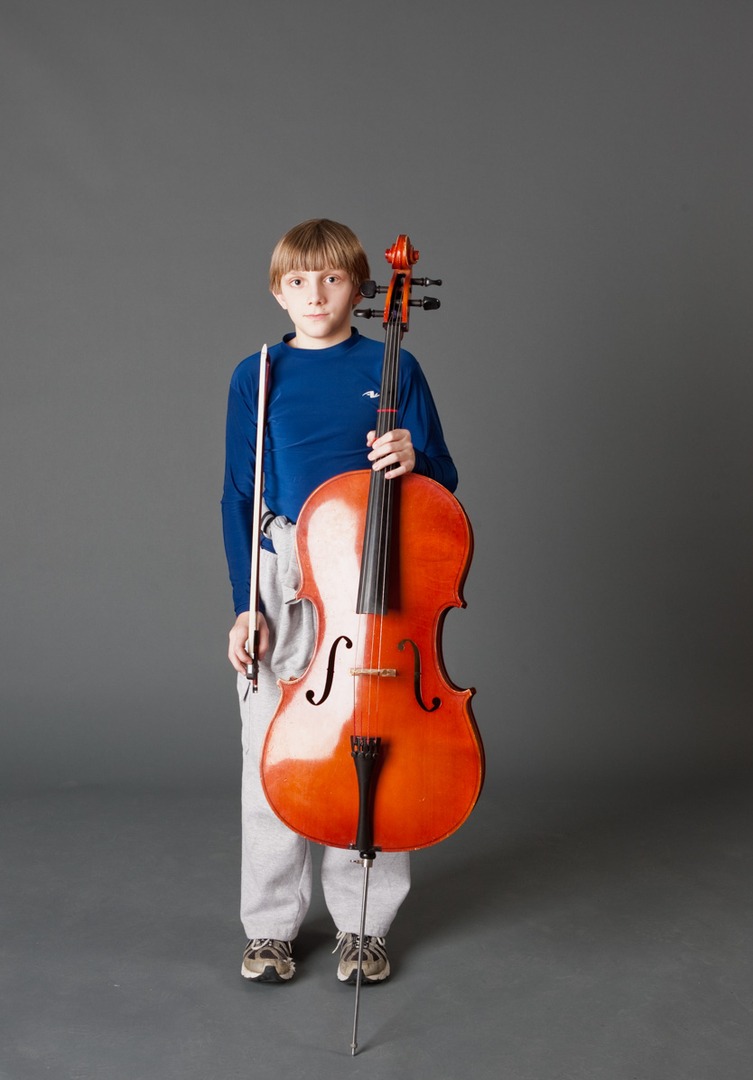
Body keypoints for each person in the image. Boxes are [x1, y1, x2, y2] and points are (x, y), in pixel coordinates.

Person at [221, 218, 458, 985]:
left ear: (360, 290)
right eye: (297, 281)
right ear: (277, 291)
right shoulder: (255, 374)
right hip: (286, 568)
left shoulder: (395, 366)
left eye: (331, 280)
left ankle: (363, 925)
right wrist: (243, 605)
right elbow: (238, 496)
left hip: (372, 569)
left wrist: (413, 458)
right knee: (274, 753)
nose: (314, 295)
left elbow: (442, 485)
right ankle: (271, 927)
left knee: (378, 750)